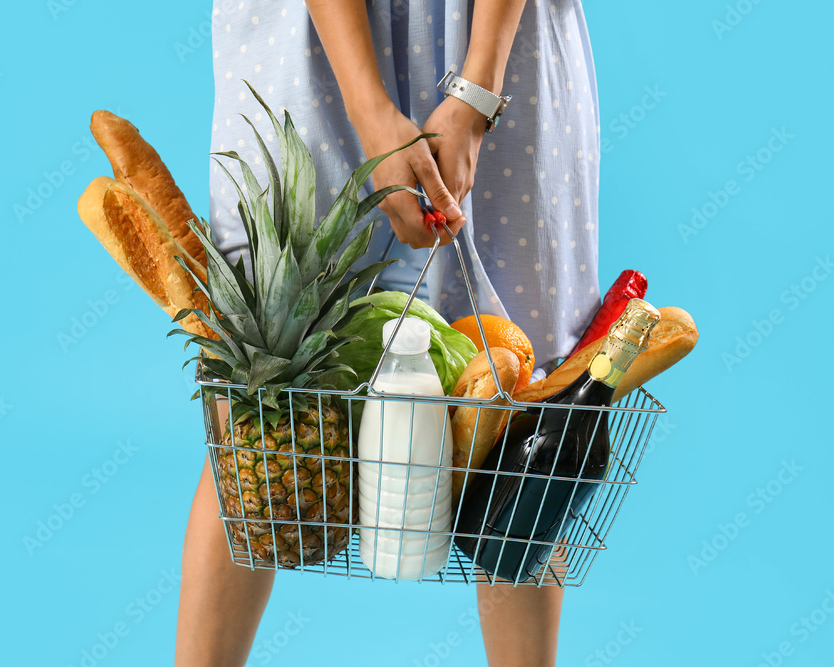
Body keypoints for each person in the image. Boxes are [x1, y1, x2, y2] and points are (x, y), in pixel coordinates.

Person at [177, 1, 602, 665]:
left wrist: (476, 95)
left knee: (528, 424)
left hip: (503, 36)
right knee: (262, 399)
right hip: (309, 45)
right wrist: (371, 112)